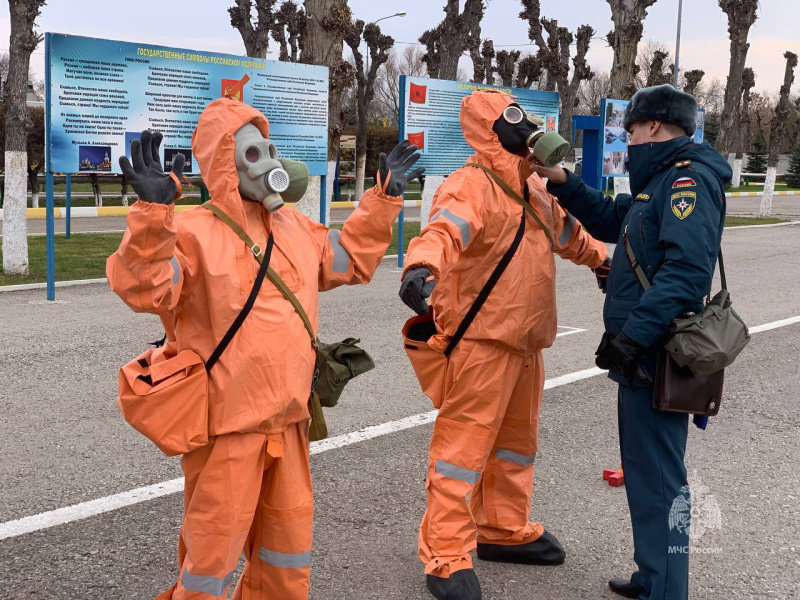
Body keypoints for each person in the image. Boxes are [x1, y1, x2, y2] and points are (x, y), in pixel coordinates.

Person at [107, 97, 423, 599]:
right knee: (211, 557)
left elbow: (350, 260)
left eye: (270, 149)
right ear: (223, 166)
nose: (270, 163)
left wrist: (383, 201)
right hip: (226, 432)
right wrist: (151, 218)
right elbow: (146, 288)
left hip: (291, 423)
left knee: (287, 551)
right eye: (252, 154)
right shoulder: (190, 233)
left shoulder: (295, 227)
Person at [399, 89, 608, 600]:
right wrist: (421, 267)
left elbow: (570, 234)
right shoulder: (472, 185)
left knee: (516, 447)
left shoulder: (534, 187)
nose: (527, 126)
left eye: (527, 118)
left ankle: (501, 528)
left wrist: (605, 261)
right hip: (482, 345)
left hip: (526, 343)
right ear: (490, 130)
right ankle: (446, 552)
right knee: (461, 453)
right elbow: (443, 231)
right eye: (513, 119)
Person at [531, 84, 733, 600]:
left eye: (632, 130)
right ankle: (653, 578)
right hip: (644, 353)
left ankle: (666, 592)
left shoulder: (686, 182)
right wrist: (561, 182)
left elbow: (685, 275)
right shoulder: (660, 183)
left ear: (653, 128)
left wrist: (631, 339)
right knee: (647, 478)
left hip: (656, 353)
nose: (629, 138)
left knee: (661, 481)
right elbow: (608, 215)